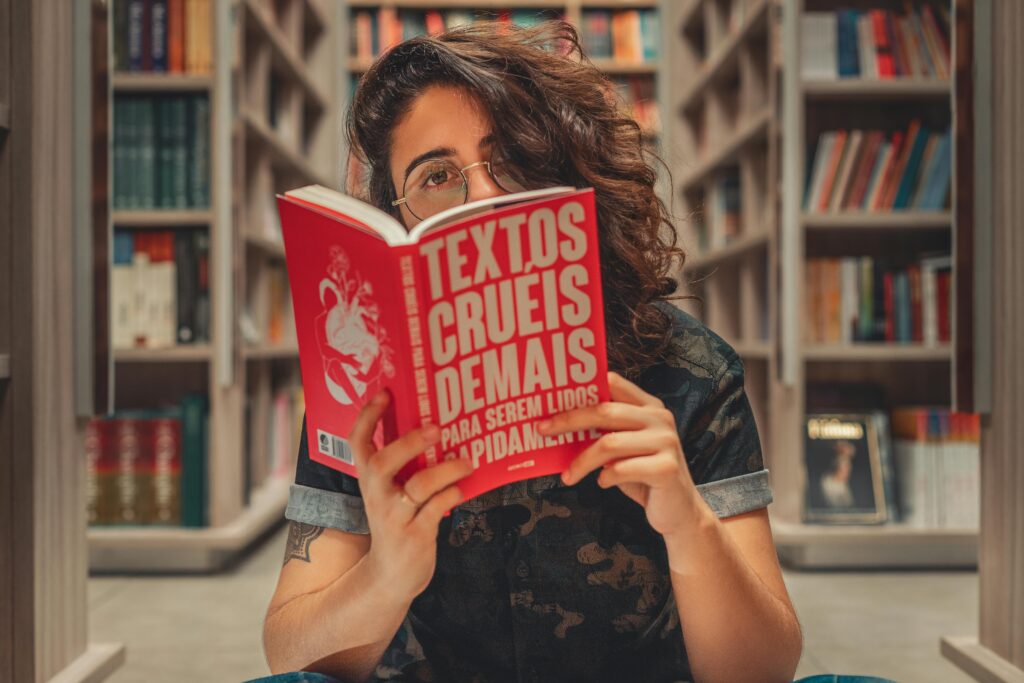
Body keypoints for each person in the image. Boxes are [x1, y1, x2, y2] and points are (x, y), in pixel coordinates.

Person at [261, 20, 803, 683]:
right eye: (437, 176)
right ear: (396, 218)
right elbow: (288, 656)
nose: (486, 197)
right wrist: (387, 575)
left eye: (512, 158)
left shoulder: (693, 371)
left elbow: (765, 671)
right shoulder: (366, 391)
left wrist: (691, 525)